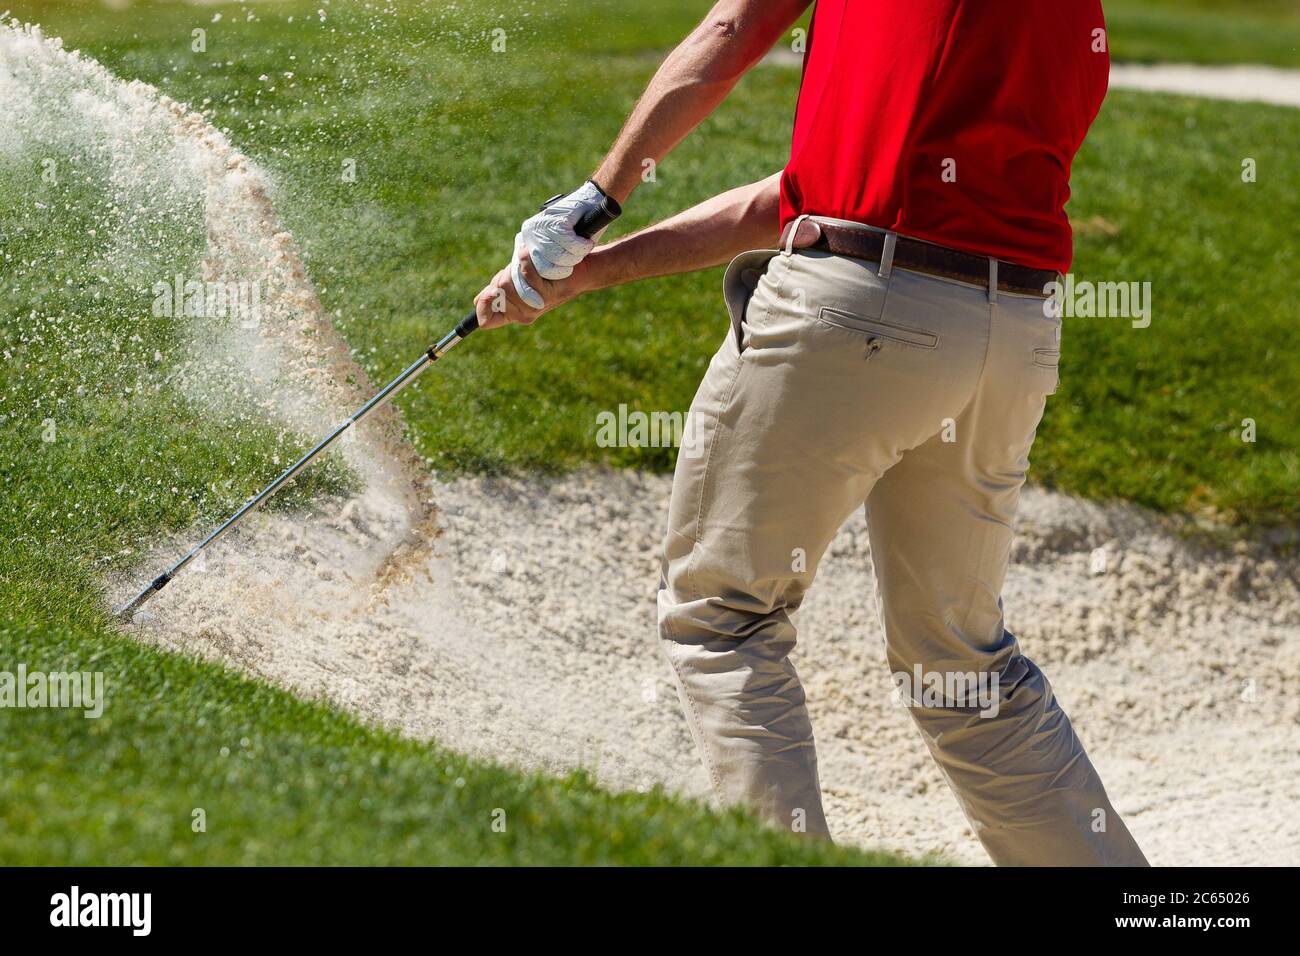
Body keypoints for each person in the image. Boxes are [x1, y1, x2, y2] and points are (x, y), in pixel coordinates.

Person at [473, 0, 1148, 866]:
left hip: (858, 316)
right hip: (1012, 334)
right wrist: (590, 272)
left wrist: (597, 199)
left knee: (721, 620)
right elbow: (800, 200)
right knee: (962, 668)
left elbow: (730, 33)